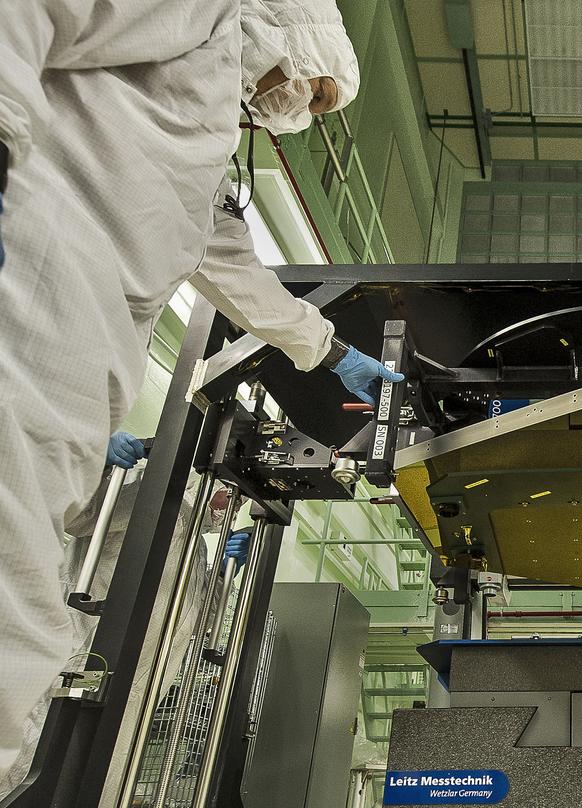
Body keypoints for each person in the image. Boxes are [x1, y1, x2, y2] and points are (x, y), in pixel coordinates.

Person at [0, 0, 400, 792]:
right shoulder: (201, 14)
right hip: (32, 289)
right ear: (298, 34)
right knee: (16, 606)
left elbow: (227, 259)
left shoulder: (214, 129)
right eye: (316, 96)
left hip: (90, 348)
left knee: (25, 586)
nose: (301, 115)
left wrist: (331, 350)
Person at [1, 433, 251, 796]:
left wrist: (225, 571)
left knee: (89, 788)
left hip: (130, 697)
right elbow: (77, 515)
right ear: (207, 478)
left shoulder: (194, 548)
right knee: (26, 772)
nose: (234, 506)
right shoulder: (155, 495)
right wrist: (97, 462)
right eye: (232, 494)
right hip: (70, 670)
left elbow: (197, 621)